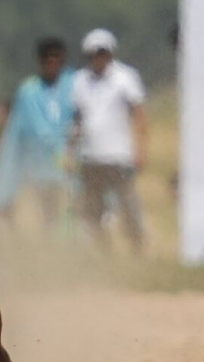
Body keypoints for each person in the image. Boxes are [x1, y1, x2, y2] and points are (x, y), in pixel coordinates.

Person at [70, 28, 148, 251]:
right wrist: (69, 152)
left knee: (128, 205)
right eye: (94, 53)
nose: (99, 58)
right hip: (90, 157)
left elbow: (140, 115)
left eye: (102, 53)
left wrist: (140, 149)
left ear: (110, 53)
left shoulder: (125, 78)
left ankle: (137, 246)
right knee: (92, 209)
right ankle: (104, 250)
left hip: (119, 156)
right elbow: (76, 121)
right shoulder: (80, 81)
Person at [0, 37, 75, 228]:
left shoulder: (74, 85)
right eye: (46, 58)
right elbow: (20, 135)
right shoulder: (28, 91)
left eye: (56, 58)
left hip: (70, 165)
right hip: (37, 167)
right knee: (44, 213)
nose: (51, 63)